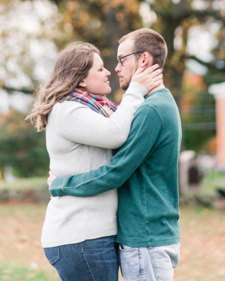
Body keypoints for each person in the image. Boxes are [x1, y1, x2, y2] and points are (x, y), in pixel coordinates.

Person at [48, 28, 183, 281]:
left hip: (146, 236)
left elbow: (116, 171)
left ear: (143, 60)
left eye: (122, 60)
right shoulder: (153, 106)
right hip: (146, 234)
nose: (115, 68)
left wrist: (60, 183)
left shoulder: (151, 110)